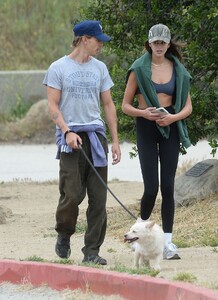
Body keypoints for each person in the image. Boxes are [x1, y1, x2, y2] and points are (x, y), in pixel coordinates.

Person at [43, 20, 121, 265]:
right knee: (72, 194)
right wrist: (66, 131)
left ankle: (91, 252)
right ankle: (64, 233)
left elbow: (108, 104)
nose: (101, 44)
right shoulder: (58, 68)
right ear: (84, 39)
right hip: (71, 139)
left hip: (96, 138)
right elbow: (53, 105)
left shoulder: (100, 68)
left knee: (99, 199)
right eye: (98, 40)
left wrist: (116, 141)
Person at [122, 23, 192, 259]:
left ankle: (168, 243)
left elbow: (188, 107)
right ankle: (137, 236)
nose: (160, 46)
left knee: (169, 187)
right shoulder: (138, 69)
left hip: (169, 125)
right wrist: (144, 113)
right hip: (146, 126)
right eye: (156, 42)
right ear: (149, 44)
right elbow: (125, 106)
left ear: (168, 43)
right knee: (151, 187)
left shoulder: (178, 69)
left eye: (163, 42)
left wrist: (172, 117)